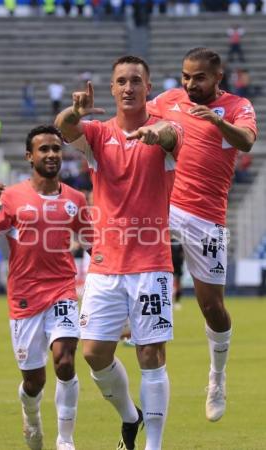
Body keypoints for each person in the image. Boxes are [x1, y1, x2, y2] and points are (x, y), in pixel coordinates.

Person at [55, 55, 183, 450]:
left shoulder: (167, 130)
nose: (128, 88)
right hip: (105, 266)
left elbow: (171, 135)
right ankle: (131, 416)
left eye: (136, 81)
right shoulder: (96, 135)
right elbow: (63, 129)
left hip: (151, 264)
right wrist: (73, 111)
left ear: (148, 88)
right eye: (121, 81)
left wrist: (155, 135)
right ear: (111, 89)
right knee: (92, 353)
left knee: (150, 353)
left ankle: (154, 446)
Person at [147, 47, 257, 422]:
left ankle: (217, 376)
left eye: (199, 77)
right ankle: (134, 322)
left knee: (212, 307)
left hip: (207, 218)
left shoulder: (238, 106)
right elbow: (137, 119)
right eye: (186, 76)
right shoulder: (169, 100)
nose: (190, 83)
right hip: (167, 203)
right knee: (141, 256)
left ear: (217, 79)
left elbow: (246, 141)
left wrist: (217, 122)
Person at [0, 125, 92, 450]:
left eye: (56, 148)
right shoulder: (11, 198)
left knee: (65, 362)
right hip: (24, 300)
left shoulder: (76, 199)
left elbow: (95, 244)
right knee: (33, 380)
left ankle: (65, 440)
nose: (52, 154)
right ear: (30, 156)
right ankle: (32, 413)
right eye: (44, 149)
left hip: (63, 291)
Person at [171, 238, 184, 310]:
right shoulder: (169, 241)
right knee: (170, 284)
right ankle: (170, 302)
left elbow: (183, 253)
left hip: (178, 265)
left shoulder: (180, 242)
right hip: (170, 265)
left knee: (178, 283)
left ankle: (177, 302)